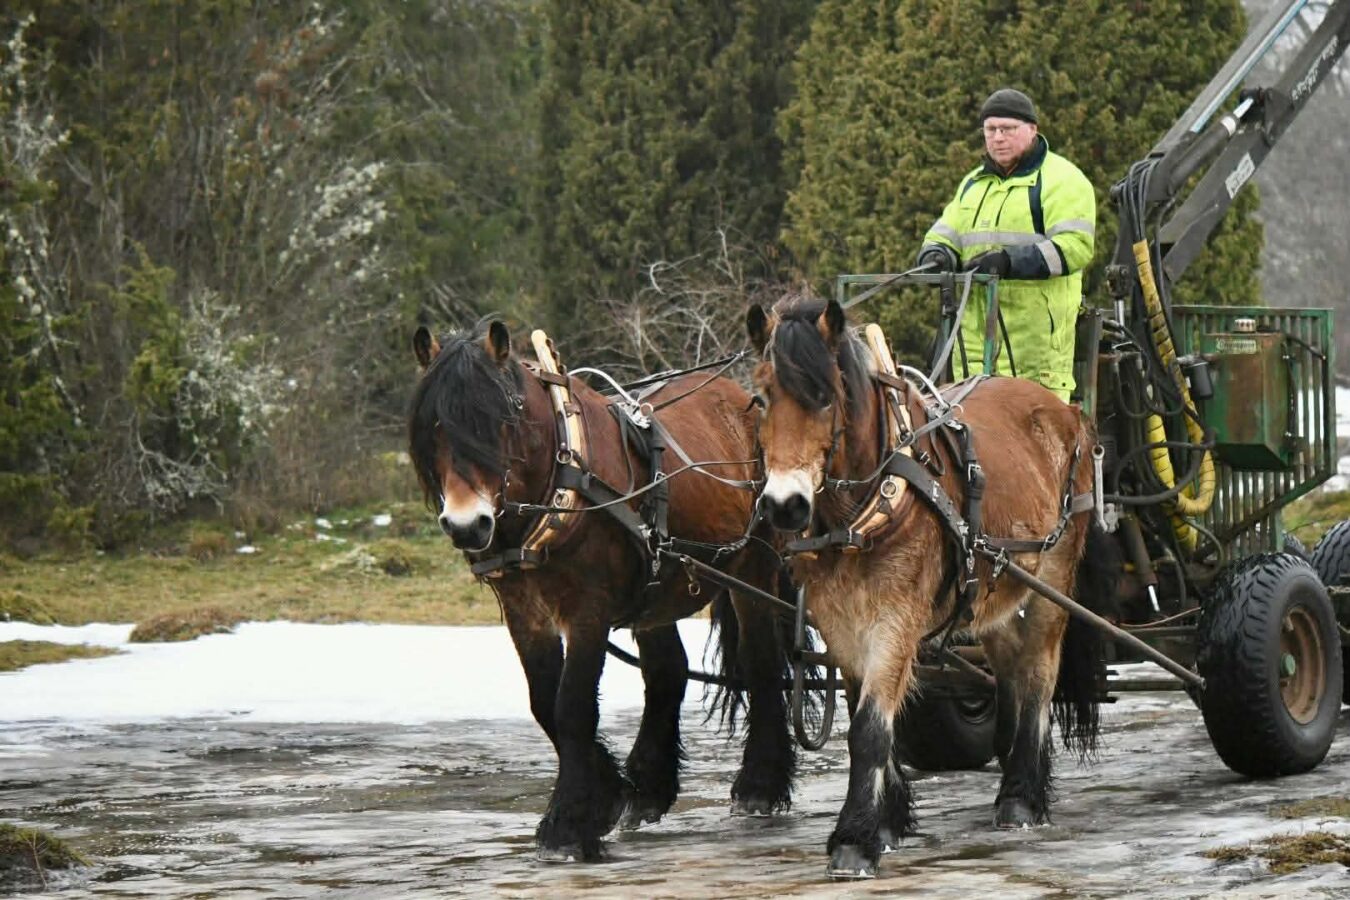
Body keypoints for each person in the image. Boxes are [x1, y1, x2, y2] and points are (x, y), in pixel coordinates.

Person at [916, 88, 1096, 402]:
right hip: (972, 362)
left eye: (1007, 129)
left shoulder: (1063, 180)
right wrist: (937, 253)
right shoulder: (973, 184)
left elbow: (1075, 247)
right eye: (990, 130)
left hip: (1037, 360)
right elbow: (945, 233)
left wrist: (1010, 262)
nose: (998, 138)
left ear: (1032, 130)